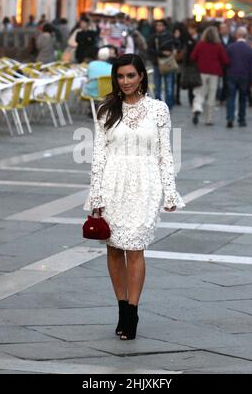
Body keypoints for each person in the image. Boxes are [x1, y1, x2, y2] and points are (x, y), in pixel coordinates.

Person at [83, 54, 185, 340]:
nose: (125, 81)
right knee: (114, 248)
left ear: (142, 76)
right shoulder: (105, 109)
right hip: (113, 182)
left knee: (135, 246)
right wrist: (96, 193)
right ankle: (121, 308)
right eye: (120, 76)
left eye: (131, 75)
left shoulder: (158, 109)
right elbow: (99, 155)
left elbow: (166, 153)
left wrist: (170, 190)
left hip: (145, 183)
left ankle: (133, 311)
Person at [190, 26, 229, 126]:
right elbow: (225, 60)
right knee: (212, 96)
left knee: (200, 92)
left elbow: (193, 56)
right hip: (214, 73)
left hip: (202, 72)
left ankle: (197, 108)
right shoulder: (219, 46)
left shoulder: (200, 44)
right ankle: (209, 119)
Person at [226, 27, 252, 128]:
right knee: (242, 99)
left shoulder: (230, 47)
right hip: (244, 76)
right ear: (245, 36)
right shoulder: (249, 49)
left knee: (231, 98)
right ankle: (241, 119)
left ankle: (230, 118)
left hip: (232, 75)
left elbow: (226, 62)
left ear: (236, 35)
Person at [148, 19, 176, 110]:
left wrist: (173, 52)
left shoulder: (170, 36)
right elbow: (150, 50)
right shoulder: (153, 37)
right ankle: (158, 104)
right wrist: (162, 53)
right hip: (157, 63)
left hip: (168, 63)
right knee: (157, 85)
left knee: (169, 85)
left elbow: (177, 45)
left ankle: (169, 104)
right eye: (157, 25)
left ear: (164, 26)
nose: (158, 27)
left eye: (160, 25)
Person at [219, 23, 235, 103]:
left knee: (226, 82)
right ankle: (219, 97)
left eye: (225, 28)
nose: (224, 30)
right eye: (222, 29)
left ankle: (223, 97)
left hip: (228, 63)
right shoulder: (217, 38)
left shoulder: (232, 39)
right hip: (219, 64)